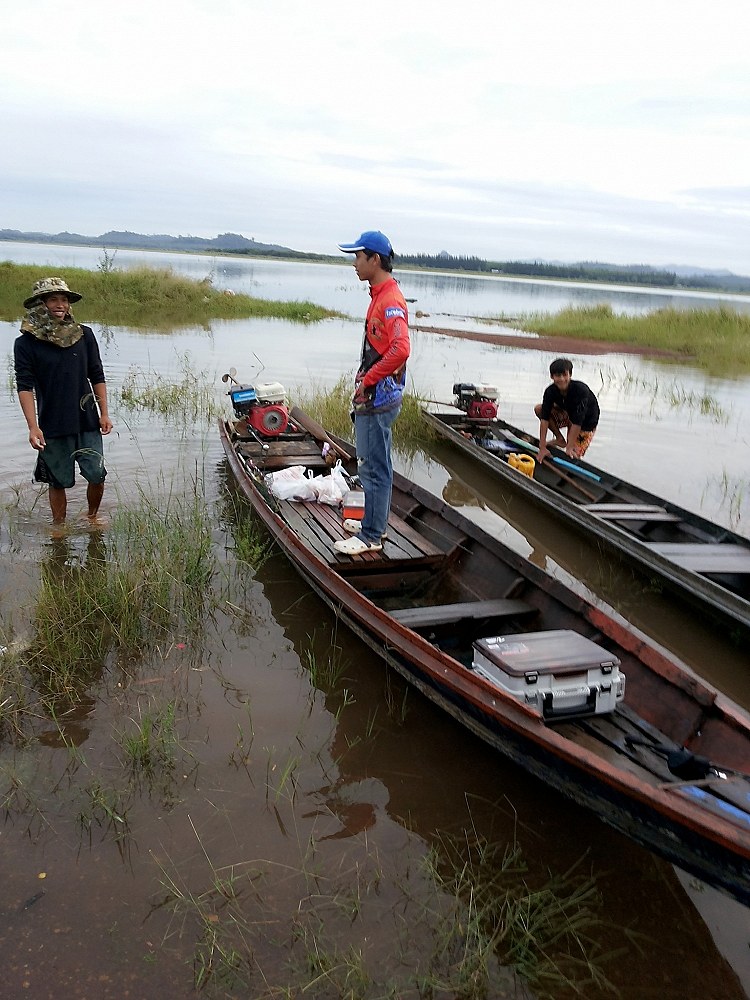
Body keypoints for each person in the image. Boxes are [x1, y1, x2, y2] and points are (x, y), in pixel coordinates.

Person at [332, 231, 410, 555]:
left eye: (358, 256)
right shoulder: (379, 294)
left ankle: (371, 535)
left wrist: (369, 380)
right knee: (375, 465)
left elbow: (401, 348)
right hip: (374, 396)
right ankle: (373, 523)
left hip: (378, 399)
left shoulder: (390, 300)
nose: (354, 263)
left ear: (374, 259)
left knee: (373, 467)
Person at [14, 277, 113, 525]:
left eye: (64, 299)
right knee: (57, 481)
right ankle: (59, 526)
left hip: (87, 420)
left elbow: (97, 374)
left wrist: (104, 413)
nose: (60, 305)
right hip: (53, 423)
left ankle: (92, 517)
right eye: (53, 299)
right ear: (40, 304)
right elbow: (24, 386)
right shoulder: (26, 343)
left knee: (97, 474)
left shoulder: (84, 335)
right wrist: (33, 427)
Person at [534, 358, 599, 465]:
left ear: (570, 375)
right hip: (568, 415)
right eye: (557, 376)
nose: (562, 379)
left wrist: (569, 447)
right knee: (539, 409)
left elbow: (578, 422)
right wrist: (542, 447)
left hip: (586, 423)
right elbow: (544, 419)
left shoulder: (580, 390)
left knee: (573, 455)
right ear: (552, 376)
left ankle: (569, 447)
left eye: (564, 375)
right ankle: (560, 439)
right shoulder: (550, 391)